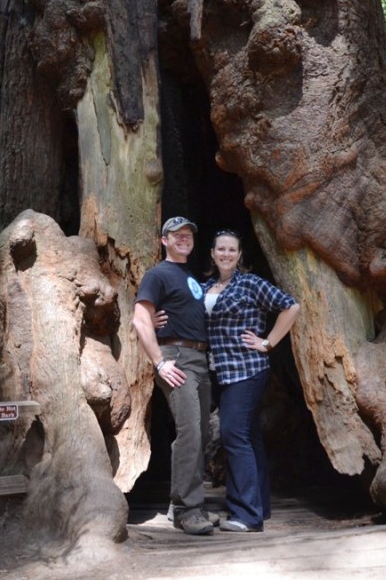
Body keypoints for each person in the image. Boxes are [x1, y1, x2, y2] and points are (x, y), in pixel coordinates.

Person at [203, 229, 299, 532]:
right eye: (221, 249)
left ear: (240, 255)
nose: (226, 254)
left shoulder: (250, 283)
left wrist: (268, 342)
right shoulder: (205, 287)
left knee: (234, 434)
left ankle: (246, 515)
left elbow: (290, 306)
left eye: (232, 249)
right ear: (213, 253)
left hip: (247, 370)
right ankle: (260, 506)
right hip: (220, 372)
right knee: (249, 436)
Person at [132, 216, 216, 536]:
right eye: (175, 234)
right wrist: (160, 363)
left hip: (199, 359)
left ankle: (184, 504)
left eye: (187, 234)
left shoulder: (189, 276)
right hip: (176, 359)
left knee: (201, 434)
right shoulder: (158, 274)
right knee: (190, 431)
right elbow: (140, 319)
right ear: (164, 240)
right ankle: (185, 509)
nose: (183, 238)